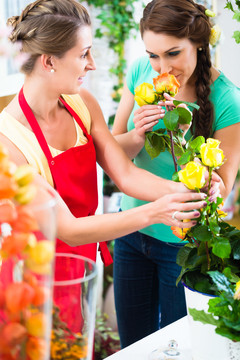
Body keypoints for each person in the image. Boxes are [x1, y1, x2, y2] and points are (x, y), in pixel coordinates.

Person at [0, 0, 209, 274]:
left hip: (85, 261)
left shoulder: (81, 102)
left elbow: (125, 174)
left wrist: (192, 193)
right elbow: (68, 229)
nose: (92, 65)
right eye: (84, 54)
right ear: (49, 61)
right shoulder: (9, 143)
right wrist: (156, 211)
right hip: (37, 277)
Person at [112, 0, 240, 348]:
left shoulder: (227, 98)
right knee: (133, 344)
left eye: (172, 53)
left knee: (178, 347)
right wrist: (138, 135)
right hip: (130, 226)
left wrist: (213, 185)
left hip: (181, 244)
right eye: (153, 55)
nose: (161, 66)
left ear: (198, 42)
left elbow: (223, 185)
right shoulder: (140, 70)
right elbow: (112, 151)